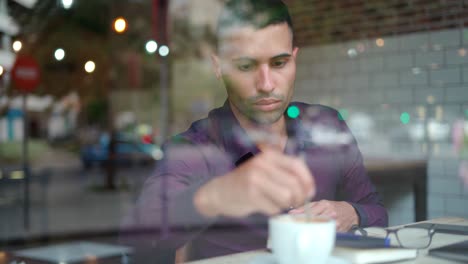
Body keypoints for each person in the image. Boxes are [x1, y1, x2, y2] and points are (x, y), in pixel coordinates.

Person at [123, 0, 388, 262]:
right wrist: (219, 194)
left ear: (294, 59)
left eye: (279, 63)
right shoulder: (195, 147)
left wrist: (351, 213)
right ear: (218, 67)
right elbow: (144, 238)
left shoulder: (327, 126)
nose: (266, 84)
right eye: (246, 66)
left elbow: (376, 211)